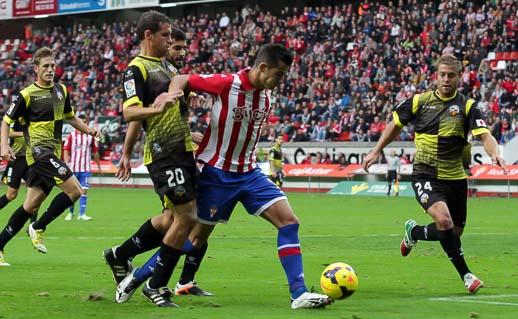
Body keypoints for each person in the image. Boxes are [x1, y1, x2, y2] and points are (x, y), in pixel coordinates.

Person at [117, 44, 333, 310]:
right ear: (262, 68)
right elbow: (183, 78)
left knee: (289, 222)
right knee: (193, 240)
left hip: (250, 174)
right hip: (217, 174)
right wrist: (170, 96)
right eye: (278, 74)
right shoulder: (226, 83)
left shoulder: (266, 97)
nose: (280, 81)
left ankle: (298, 293)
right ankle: (137, 276)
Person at [362, 54, 507, 294]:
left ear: (459, 77)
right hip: (425, 174)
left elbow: (485, 135)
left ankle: (414, 232)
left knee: (453, 233)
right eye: (442, 75)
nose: (446, 79)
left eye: (451, 75)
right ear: (436, 76)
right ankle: (467, 275)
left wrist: (494, 154)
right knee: (444, 221)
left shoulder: (468, 107)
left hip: (456, 178)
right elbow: (395, 125)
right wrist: (376, 150)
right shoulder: (419, 102)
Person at [102, 12, 201, 307]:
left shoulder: (168, 67)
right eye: (165, 36)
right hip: (162, 153)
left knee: (171, 219)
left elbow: (172, 106)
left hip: (182, 150)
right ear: (148, 35)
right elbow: (130, 113)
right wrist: (156, 111)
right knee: (188, 218)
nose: (170, 41)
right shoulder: (136, 69)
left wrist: (188, 117)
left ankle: (120, 255)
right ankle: (155, 285)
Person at [0, 47, 99, 266]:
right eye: (46, 66)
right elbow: (6, 122)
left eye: (53, 65)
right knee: (75, 190)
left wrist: (89, 130)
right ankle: (38, 227)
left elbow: (71, 118)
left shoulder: (61, 90)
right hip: (38, 152)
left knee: (30, 206)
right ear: (36, 69)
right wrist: (4, 146)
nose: (50, 70)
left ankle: (0, 244)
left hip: (50, 153)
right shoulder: (26, 95)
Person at [63, 113, 102, 221]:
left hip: (85, 168)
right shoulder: (71, 136)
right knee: (72, 191)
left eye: (85, 122)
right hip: (73, 168)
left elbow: (95, 152)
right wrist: (66, 164)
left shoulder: (90, 137)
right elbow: (66, 149)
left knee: (84, 190)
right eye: (82, 122)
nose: (83, 124)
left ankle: (82, 214)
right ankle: (70, 213)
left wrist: (99, 167)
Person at [0, 118, 33, 221]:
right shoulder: (16, 117)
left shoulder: (36, 117)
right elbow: (7, 133)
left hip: (32, 159)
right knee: (11, 194)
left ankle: (34, 225)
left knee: (35, 192)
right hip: (17, 159)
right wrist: (25, 133)